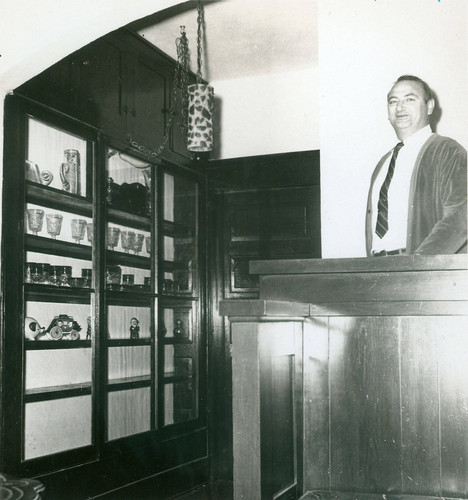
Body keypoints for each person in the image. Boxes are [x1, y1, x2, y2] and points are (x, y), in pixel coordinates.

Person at [366, 75, 467, 256]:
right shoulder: (383, 164)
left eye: (410, 99)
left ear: (429, 106)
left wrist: (417, 265)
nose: (400, 107)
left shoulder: (447, 151)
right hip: (378, 271)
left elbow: (460, 218)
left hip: (422, 271)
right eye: (393, 101)